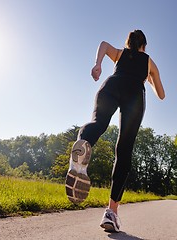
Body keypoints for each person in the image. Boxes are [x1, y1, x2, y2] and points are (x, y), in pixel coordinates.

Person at [65, 29, 165, 232]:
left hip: (112, 84)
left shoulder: (119, 53)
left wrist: (98, 64)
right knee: (124, 149)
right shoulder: (148, 61)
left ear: (128, 43)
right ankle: (111, 212)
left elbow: (103, 43)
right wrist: (150, 77)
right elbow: (161, 94)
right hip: (134, 95)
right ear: (143, 46)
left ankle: (83, 145)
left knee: (98, 124)